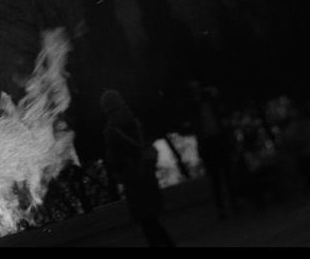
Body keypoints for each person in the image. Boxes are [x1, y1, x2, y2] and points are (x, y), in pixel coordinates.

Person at [101, 89, 176, 247]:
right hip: (147, 173)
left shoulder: (111, 132)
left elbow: (113, 159)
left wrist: (119, 174)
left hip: (133, 179)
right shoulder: (134, 123)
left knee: (147, 222)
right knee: (151, 219)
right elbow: (148, 146)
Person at [187, 82, 238, 219]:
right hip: (209, 143)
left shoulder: (210, 102)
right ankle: (223, 207)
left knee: (226, 174)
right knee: (217, 177)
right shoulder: (197, 107)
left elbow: (222, 116)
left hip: (218, 140)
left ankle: (233, 203)